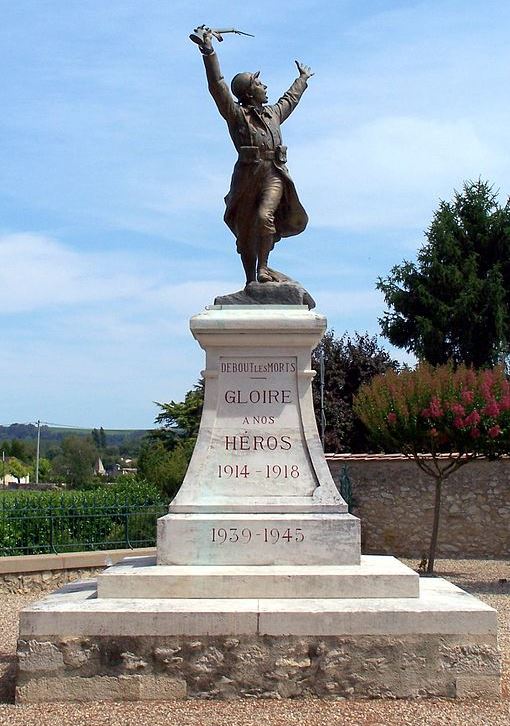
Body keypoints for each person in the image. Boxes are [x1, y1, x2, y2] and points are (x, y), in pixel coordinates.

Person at [193, 26, 314, 284]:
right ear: (249, 91)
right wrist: (209, 53)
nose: (265, 85)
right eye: (259, 83)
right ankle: (250, 279)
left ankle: (264, 268)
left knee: (263, 217)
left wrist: (302, 80)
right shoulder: (237, 115)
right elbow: (217, 86)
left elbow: (289, 99)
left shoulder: (273, 114)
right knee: (246, 230)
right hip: (248, 176)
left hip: (273, 173)